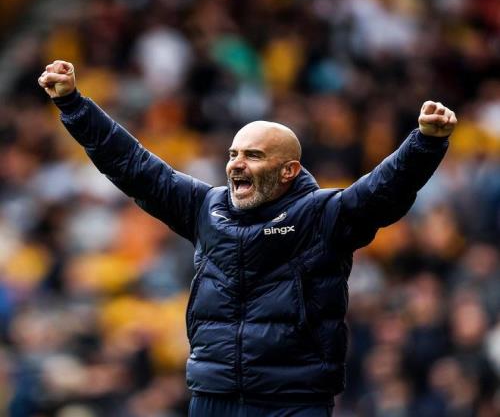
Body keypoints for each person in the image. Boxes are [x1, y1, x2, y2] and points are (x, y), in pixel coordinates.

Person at [38, 60, 457, 417]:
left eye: (253, 155)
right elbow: (133, 164)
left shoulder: (322, 215)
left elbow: (384, 190)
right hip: (212, 394)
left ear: (289, 170)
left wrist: (425, 143)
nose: (236, 164)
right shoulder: (205, 208)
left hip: (293, 399)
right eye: (233, 154)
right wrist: (73, 104)